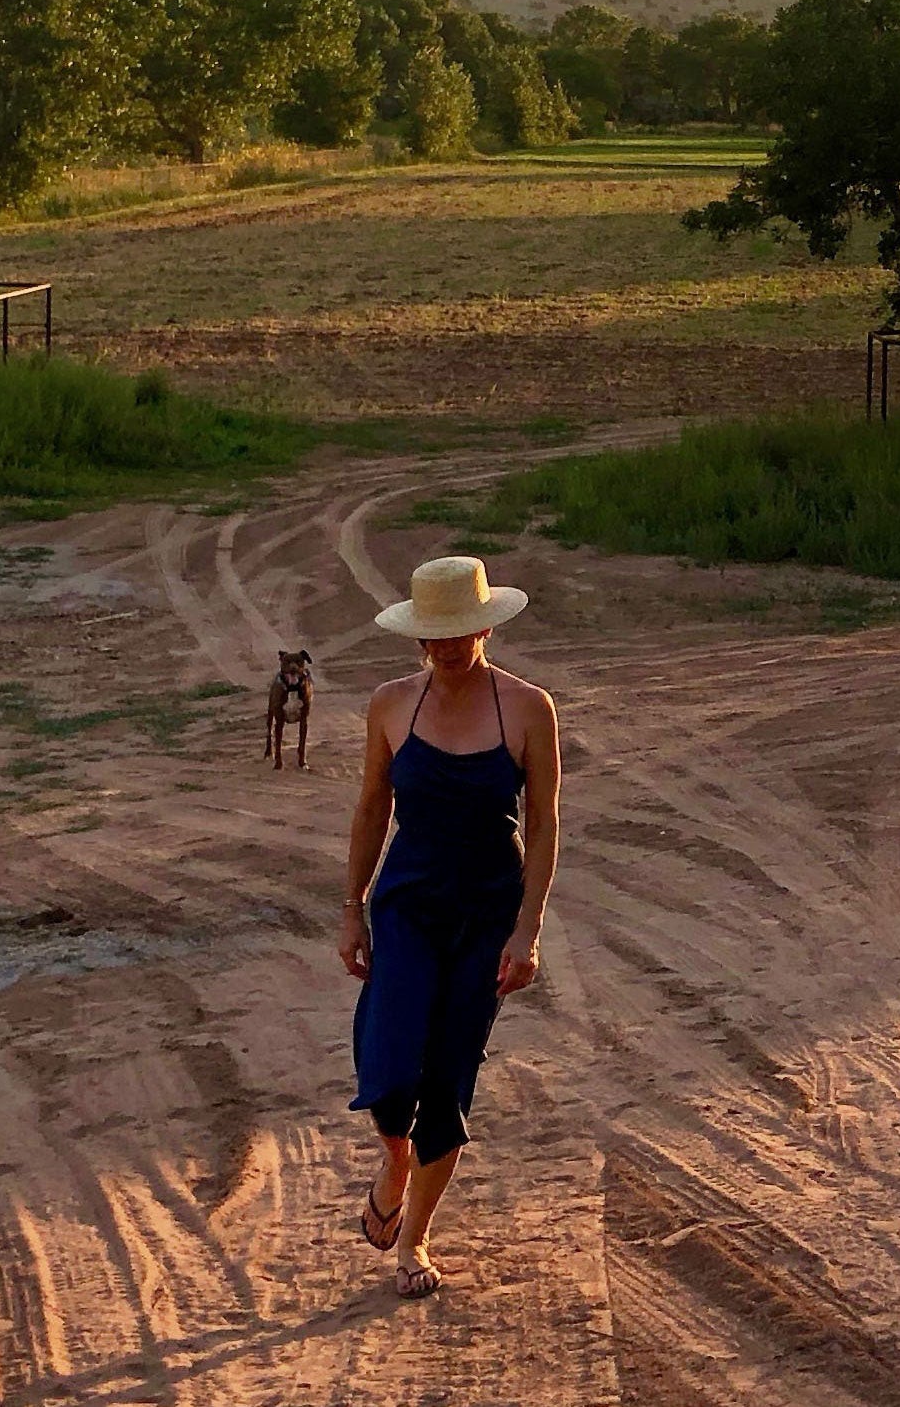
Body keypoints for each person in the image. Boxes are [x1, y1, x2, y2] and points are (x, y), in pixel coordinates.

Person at [337, 555, 562, 1299]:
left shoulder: (529, 708)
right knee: (392, 1063)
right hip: (406, 907)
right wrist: (351, 908)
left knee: (449, 1080)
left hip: (486, 914)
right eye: (428, 639)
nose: (440, 651)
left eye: (454, 637)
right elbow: (372, 809)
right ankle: (395, 1164)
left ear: (486, 628)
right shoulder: (390, 704)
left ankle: (414, 1242)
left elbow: (545, 823)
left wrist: (526, 932)